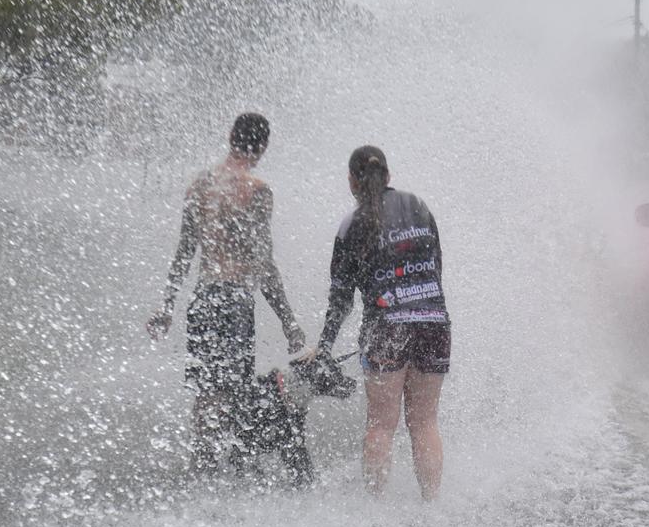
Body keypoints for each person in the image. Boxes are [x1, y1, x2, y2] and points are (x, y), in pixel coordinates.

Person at [146, 112, 306, 475]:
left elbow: (184, 253)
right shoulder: (257, 191)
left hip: (202, 299)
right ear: (262, 147)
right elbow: (264, 264)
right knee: (234, 390)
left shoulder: (199, 185)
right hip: (234, 300)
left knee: (206, 391)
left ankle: (201, 466)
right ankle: (233, 472)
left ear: (231, 136)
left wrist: (167, 306)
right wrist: (289, 323)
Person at [303, 146, 450, 500]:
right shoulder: (418, 205)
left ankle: (375, 510)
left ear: (352, 181)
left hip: (386, 328)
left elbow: (340, 299)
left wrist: (323, 348)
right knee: (425, 423)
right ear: (388, 176)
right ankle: (431, 505)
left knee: (381, 425)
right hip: (433, 321)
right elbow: (437, 268)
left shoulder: (352, 224)